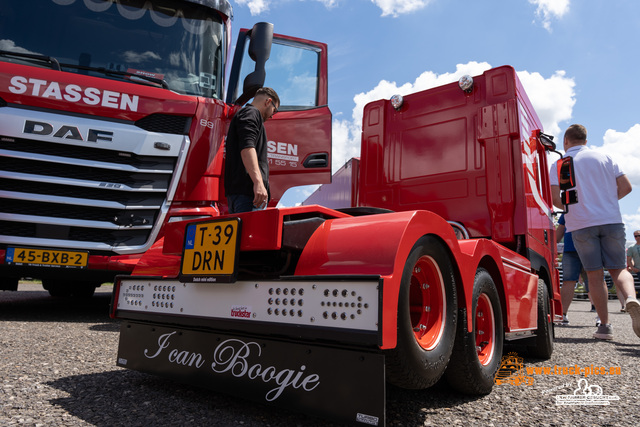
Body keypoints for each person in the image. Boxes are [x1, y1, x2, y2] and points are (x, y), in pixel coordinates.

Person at [550, 124, 640, 340]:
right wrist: (605, 202)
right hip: (611, 220)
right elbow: (627, 187)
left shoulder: (561, 164)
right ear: (586, 141)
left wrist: (580, 206)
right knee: (619, 269)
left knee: (595, 275)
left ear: (566, 141)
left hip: (581, 224)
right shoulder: (605, 157)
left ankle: (605, 327)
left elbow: (556, 200)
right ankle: (630, 299)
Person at [224, 87, 280, 214]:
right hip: (249, 195)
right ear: (268, 101)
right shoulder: (251, 113)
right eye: (274, 110)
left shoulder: (245, 114)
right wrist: (258, 183)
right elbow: (247, 148)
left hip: (241, 194)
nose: (272, 115)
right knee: (251, 234)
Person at [556, 213, 590, 325]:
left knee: (568, 282)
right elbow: (561, 228)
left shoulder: (568, 207)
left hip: (575, 248)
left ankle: (563, 314)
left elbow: (560, 230)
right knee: (595, 281)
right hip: (589, 247)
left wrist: (553, 245)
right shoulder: (593, 204)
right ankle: (602, 319)